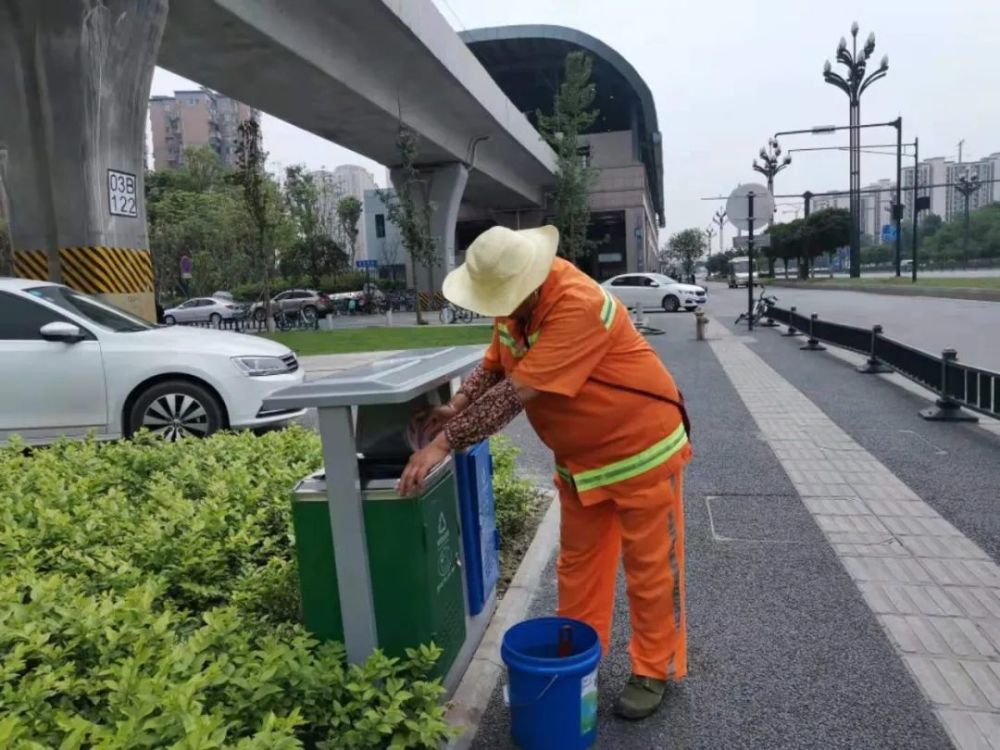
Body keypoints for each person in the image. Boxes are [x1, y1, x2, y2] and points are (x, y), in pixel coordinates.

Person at [397, 225, 692, 720]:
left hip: (642, 451)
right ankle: (580, 657)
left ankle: (654, 669)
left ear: (529, 281)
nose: (496, 311)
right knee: (578, 569)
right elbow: (495, 366)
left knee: (652, 570)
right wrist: (458, 404)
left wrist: (443, 445)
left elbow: (515, 395)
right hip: (582, 464)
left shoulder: (575, 304)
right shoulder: (516, 305)